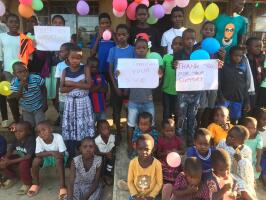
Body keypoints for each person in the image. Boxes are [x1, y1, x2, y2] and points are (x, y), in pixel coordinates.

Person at [122, 39, 158, 157]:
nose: (141, 50)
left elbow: (157, 81)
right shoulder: (129, 65)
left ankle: (151, 145)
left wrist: (160, 74)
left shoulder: (152, 64)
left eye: (143, 48)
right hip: (133, 100)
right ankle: (130, 145)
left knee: (151, 125)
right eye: (138, 48)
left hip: (148, 100)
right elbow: (123, 78)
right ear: (135, 50)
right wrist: (119, 74)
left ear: (147, 50)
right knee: (131, 124)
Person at [61, 46, 94, 162]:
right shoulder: (65, 71)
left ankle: (85, 153)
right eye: (72, 57)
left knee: (83, 127)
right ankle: (71, 154)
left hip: (83, 103)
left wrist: (71, 84)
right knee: (70, 127)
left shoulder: (85, 68)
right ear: (68, 58)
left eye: (78, 58)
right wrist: (79, 84)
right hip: (70, 103)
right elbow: (62, 89)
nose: (75, 60)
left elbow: (89, 85)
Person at [174, 28, 201, 146]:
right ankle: (179, 139)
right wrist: (174, 65)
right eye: (187, 39)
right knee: (180, 116)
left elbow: (206, 66)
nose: (190, 41)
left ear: (195, 40)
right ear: (183, 40)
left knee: (192, 117)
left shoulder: (199, 53)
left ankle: (190, 140)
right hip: (183, 92)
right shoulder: (178, 53)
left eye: (192, 39)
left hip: (196, 91)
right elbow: (174, 66)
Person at [28, 121, 68, 198]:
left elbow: (62, 154)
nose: (41, 133)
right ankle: (36, 183)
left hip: (61, 157)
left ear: (51, 129)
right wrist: (52, 153)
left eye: (44, 130)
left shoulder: (58, 137)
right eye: (39, 132)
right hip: (48, 157)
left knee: (59, 160)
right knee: (36, 160)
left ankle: (63, 186)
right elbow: (37, 154)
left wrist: (52, 154)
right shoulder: (39, 139)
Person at [108, 24, 135, 138]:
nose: (121, 37)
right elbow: (110, 70)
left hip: (130, 86)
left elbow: (135, 69)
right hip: (116, 86)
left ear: (128, 35)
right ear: (116, 36)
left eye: (124, 34)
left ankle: (130, 133)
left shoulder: (133, 50)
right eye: (119, 35)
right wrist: (115, 87)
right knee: (116, 110)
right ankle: (118, 132)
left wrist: (128, 87)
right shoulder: (113, 50)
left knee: (130, 111)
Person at [217, 126, 257, 199]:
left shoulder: (247, 151)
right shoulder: (222, 144)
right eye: (228, 135)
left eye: (232, 137)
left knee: (244, 190)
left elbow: (248, 169)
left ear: (241, 141)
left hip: (239, 177)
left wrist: (241, 160)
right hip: (225, 173)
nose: (228, 138)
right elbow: (216, 157)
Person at [217, 46, 250, 124]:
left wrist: (247, 101)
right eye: (236, 55)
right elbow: (219, 82)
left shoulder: (243, 69)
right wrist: (220, 97)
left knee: (234, 119)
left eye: (240, 56)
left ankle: (233, 134)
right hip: (225, 99)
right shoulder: (224, 67)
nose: (238, 58)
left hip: (238, 99)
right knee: (221, 119)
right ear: (230, 55)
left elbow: (245, 86)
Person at [0, 13, 22, 126]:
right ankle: (17, 119)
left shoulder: (24, 37)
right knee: (12, 97)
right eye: (11, 21)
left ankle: (21, 117)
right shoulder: (2, 37)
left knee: (22, 95)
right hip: (8, 71)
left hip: (22, 71)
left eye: (16, 21)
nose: (14, 24)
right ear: (7, 23)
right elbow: (0, 55)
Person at [0, 122, 34, 194]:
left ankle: (27, 183)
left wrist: (10, 161)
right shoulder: (16, 139)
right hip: (20, 157)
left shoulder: (31, 140)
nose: (17, 133)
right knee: (2, 160)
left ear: (27, 132)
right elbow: (11, 149)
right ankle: (12, 177)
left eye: (20, 131)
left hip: (30, 160)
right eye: (16, 131)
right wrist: (5, 158)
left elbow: (28, 156)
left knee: (23, 164)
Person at [10, 62, 47, 127]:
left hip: (38, 107)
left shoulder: (36, 78)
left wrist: (45, 103)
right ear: (14, 74)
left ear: (28, 70)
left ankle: (39, 137)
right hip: (26, 109)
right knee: (29, 126)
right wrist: (21, 86)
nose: (23, 74)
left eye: (25, 71)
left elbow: (44, 89)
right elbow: (17, 98)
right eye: (19, 72)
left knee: (40, 125)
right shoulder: (14, 83)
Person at [127, 134, 163, 199]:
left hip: (150, 195)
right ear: (136, 147)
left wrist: (151, 195)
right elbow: (130, 182)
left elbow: (159, 183)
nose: (143, 152)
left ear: (153, 148)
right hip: (136, 194)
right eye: (140, 149)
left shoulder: (157, 164)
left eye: (147, 149)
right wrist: (135, 195)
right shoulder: (133, 163)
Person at [45, 15, 66, 122]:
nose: (58, 24)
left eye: (60, 22)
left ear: (64, 25)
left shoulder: (67, 37)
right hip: (51, 68)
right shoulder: (48, 37)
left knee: (62, 93)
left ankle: (63, 115)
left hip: (64, 69)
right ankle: (60, 114)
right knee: (53, 94)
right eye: (55, 22)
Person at [161, 36, 182, 121]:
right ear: (171, 46)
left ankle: (176, 131)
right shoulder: (166, 57)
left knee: (178, 112)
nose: (177, 46)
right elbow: (161, 71)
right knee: (166, 112)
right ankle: (165, 129)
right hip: (166, 90)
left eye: (180, 44)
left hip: (179, 92)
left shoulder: (185, 59)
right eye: (175, 44)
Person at [157, 118, 184, 185]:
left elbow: (183, 151)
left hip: (175, 162)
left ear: (175, 130)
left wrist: (177, 151)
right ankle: (164, 182)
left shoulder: (177, 140)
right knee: (159, 166)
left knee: (179, 167)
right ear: (163, 131)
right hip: (164, 162)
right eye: (167, 131)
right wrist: (165, 153)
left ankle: (175, 182)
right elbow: (158, 154)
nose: (170, 133)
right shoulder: (161, 140)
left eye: (172, 130)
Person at [90, 13, 115, 80]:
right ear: (99, 25)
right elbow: (92, 53)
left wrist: (114, 36)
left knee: (113, 87)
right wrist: (98, 38)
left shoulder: (115, 35)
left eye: (107, 23)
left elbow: (120, 48)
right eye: (102, 23)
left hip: (113, 68)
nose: (105, 25)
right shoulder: (97, 36)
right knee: (103, 87)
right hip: (101, 68)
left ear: (110, 23)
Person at [54, 42, 74, 125]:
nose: (59, 53)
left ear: (69, 52)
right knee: (63, 118)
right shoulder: (59, 65)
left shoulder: (80, 65)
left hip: (75, 98)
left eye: (62, 51)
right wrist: (57, 96)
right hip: (62, 98)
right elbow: (58, 82)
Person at [246, 37, 265, 110]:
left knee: (259, 107)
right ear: (248, 47)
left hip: (259, 87)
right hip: (249, 88)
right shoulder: (244, 59)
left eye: (260, 46)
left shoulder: (262, 58)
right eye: (256, 46)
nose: (259, 48)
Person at [95, 120, 115, 185]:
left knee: (112, 158)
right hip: (100, 156)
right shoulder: (96, 140)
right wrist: (105, 154)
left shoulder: (112, 137)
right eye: (104, 129)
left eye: (108, 128)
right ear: (98, 131)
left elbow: (112, 146)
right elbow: (95, 152)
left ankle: (108, 172)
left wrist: (110, 152)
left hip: (107, 155)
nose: (107, 130)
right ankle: (102, 176)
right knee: (101, 162)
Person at [88, 57, 108, 122]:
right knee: (91, 127)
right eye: (92, 67)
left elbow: (105, 89)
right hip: (90, 109)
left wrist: (93, 88)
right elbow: (88, 91)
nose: (94, 69)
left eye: (96, 67)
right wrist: (99, 86)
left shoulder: (101, 76)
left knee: (102, 125)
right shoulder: (85, 77)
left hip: (101, 107)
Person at [256, 108, 266, 187]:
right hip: (258, 154)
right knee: (263, 170)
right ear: (257, 119)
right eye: (263, 119)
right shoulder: (255, 132)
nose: (265, 121)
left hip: (264, 153)